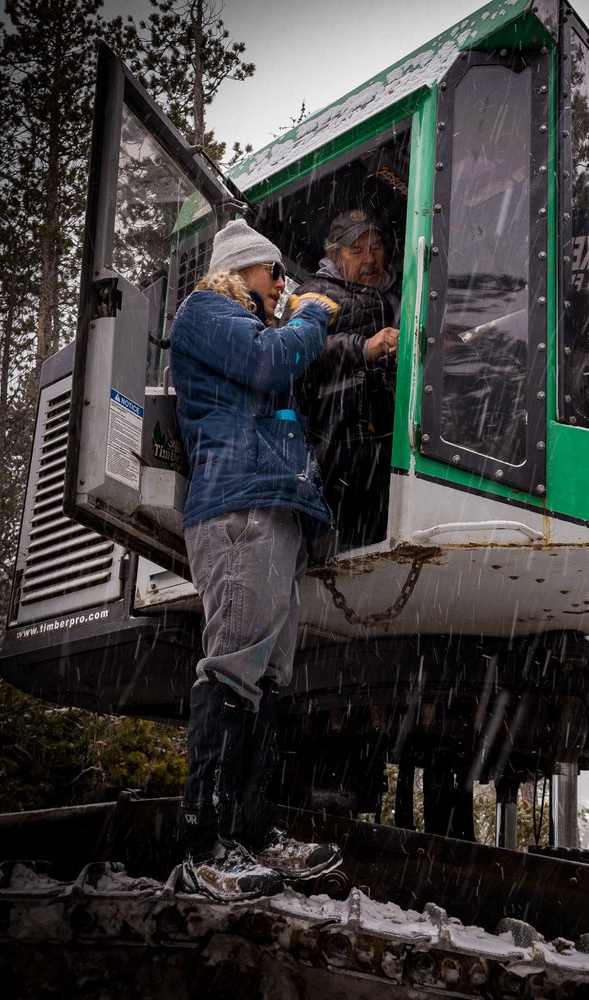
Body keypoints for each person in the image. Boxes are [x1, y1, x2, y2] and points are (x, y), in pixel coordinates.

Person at [169, 218, 343, 902]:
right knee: (235, 668)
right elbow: (275, 363)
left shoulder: (253, 325)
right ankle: (203, 845)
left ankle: (253, 830)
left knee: (268, 678)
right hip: (236, 507)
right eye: (276, 275)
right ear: (243, 270)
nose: (283, 286)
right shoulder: (206, 311)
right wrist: (311, 319)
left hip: (271, 507)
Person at [285, 208, 400, 547]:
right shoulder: (314, 295)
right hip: (338, 451)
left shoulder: (399, 294)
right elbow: (296, 349)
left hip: (383, 445)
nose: (370, 258)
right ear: (333, 255)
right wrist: (363, 347)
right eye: (357, 250)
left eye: (376, 247)